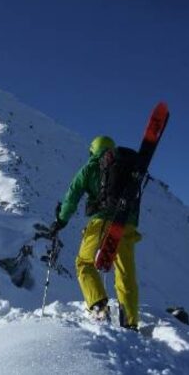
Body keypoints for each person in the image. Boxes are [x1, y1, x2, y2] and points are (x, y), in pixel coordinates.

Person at [49, 136, 142, 330]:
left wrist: (61, 221)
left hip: (101, 222)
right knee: (125, 272)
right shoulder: (129, 168)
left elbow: (72, 196)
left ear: (93, 150)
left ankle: (99, 307)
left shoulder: (91, 167)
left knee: (84, 263)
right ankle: (130, 322)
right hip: (127, 224)